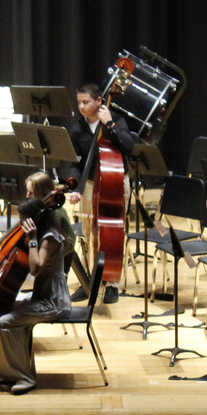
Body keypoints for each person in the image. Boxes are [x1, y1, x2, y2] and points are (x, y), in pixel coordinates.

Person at [0, 196, 73, 395]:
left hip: (53, 302)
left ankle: (25, 377)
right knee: (2, 307)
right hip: (42, 295)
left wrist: (33, 239)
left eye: (23, 220)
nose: (20, 224)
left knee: (4, 322)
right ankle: (9, 368)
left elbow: (35, 269)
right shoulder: (43, 234)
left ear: (34, 220)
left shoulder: (49, 238)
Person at [67, 83, 135, 304]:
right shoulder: (77, 130)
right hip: (88, 184)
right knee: (88, 231)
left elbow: (128, 146)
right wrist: (76, 189)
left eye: (86, 102)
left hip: (115, 182)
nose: (81, 107)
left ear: (99, 101)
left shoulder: (115, 120)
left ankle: (112, 283)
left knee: (113, 231)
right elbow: (75, 163)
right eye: (79, 103)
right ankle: (89, 281)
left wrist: (110, 125)